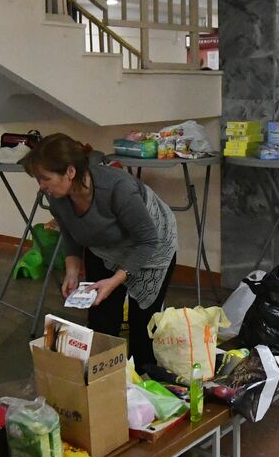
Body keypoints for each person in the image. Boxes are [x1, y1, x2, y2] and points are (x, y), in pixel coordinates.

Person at [22, 133, 178, 375]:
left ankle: (145, 382)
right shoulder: (56, 196)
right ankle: (104, 383)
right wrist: (72, 271)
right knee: (102, 320)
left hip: (150, 246)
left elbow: (147, 240)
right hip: (105, 246)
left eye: (45, 178)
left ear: (70, 172)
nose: (41, 185)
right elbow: (70, 231)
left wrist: (116, 280)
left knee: (142, 326)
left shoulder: (117, 188)